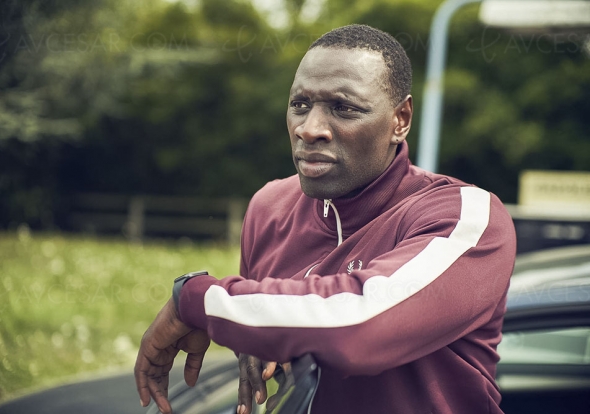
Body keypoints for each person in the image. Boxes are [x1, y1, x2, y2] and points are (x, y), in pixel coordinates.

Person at [135, 24, 516, 414]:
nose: (309, 128)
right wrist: (257, 337)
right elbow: (269, 320)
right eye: (300, 104)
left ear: (400, 119)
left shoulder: (465, 216)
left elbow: (361, 326)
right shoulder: (269, 207)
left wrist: (195, 299)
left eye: (344, 108)